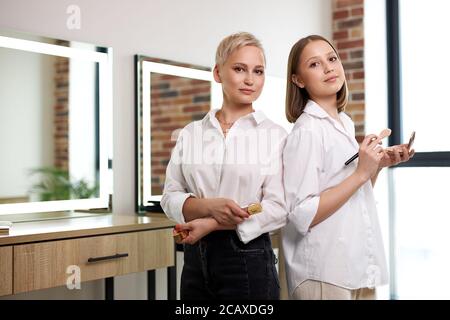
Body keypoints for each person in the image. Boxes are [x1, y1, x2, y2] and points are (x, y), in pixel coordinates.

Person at [281, 35, 414, 300]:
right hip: (323, 271)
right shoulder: (306, 130)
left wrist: (375, 167)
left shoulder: (344, 123)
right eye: (315, 64)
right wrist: (361, 173)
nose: (329, 67)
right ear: (298, 80)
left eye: (332, 59)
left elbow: (353, 194)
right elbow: (301, 214)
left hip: (354, 265)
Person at [161, 32, 287, 300]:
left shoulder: (275, 136)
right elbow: (169, 196)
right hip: (195, 261)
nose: (250, 80)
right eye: (239, 69)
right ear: (218, 73)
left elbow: (278, 208)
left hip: (248, 258)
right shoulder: (191, 133)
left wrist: (211, 223)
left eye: (258, 71)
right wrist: (208, 206)